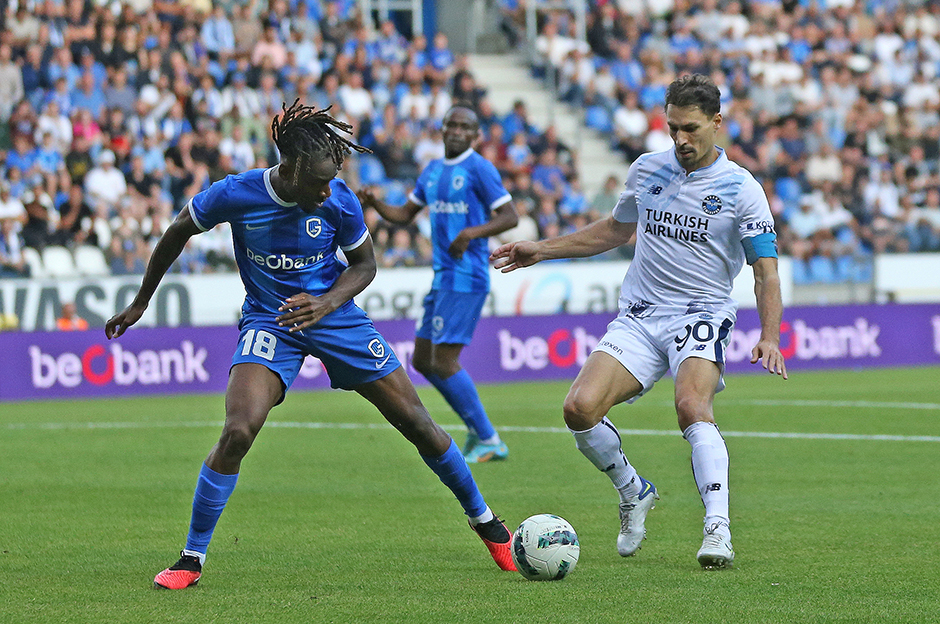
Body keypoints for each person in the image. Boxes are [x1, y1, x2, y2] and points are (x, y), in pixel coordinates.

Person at [105, 102, 516, 590]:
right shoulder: (234, 194)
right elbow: (176, 232)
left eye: (331, 181)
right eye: (318, 182)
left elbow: (364, 266)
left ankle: (489, 525)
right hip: (270, 320)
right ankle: (191, 558)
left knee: (416, 422)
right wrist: (139, 303)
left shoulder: (339, 198)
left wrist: (324, 303)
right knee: (237, 431)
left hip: (335, 316)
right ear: (291, 167)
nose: (326, 192)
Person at [491, 74, 788, 569]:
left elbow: (765, 269)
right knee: (579, 409)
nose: (681, 140)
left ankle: (718, 528)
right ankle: (634, 490)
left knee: (692, 404)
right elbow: (614, 230)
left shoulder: (741, 190)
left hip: (701, 311)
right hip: (640, 316)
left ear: (717, 123)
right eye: (672, 128)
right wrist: (540, 249)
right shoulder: (647, 170)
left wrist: (770, 335)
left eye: (691, 129)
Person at [358, 106, 519, 463]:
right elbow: (405, 215)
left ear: (475, 135)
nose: (457, 131)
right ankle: (481, 436)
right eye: (452, 125)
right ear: (442, 129)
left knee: (443, 362)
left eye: (466, 126)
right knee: (423, 360)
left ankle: (488, 437)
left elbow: (510, 216)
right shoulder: (432, 170)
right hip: (442, 276)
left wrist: (470, 233)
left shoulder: (479, 168)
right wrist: (376, 203)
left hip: (467, 276)